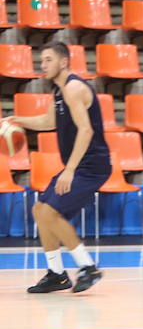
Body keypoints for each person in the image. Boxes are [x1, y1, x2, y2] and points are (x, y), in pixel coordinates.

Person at [8, 42, 112, 294]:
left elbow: (86, 130)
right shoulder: (59, 91)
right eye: (41, 60)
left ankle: (88, 267)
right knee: (40, 209)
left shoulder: (74, 88)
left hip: (90, 165)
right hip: (80, 165)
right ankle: (57, 274)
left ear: (63, 62)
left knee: (50, 213)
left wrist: (70, 170)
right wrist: (15, 119)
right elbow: (47, 121)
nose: (42, 65)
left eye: (48, 60)